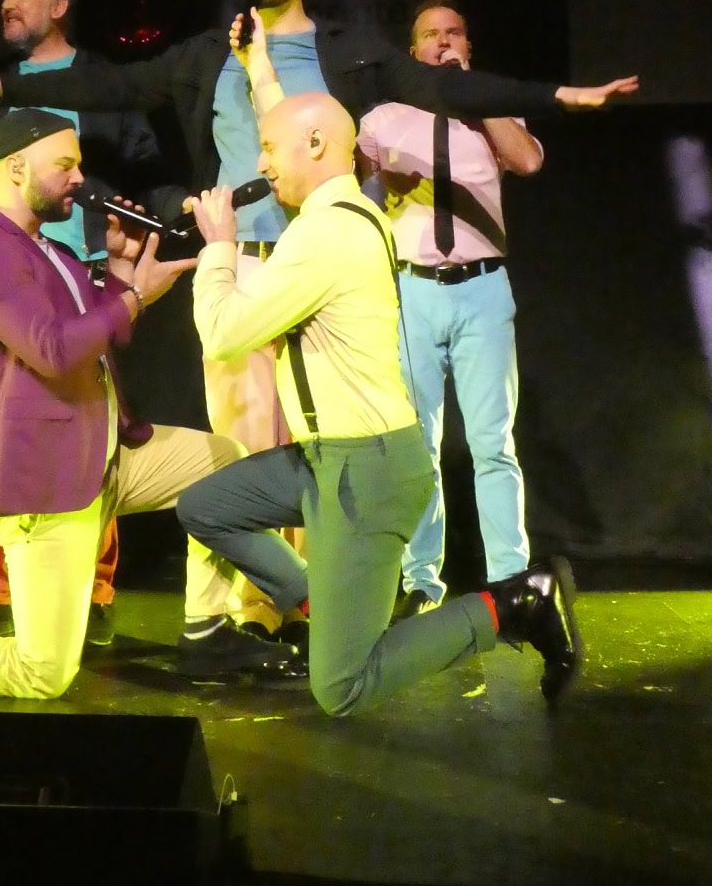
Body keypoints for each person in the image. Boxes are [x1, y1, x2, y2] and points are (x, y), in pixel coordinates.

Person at [0, 0, 637, 646]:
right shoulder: (211, 53)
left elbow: (440, 87)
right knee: (236, 446)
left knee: (313, 450)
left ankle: (301, 606)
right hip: (241, 261)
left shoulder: (347, 52)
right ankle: (225, 618)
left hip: (320, 266)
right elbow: (115, 85)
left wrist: (558, 96)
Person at [0, 110, 297, 697]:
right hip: (47, 478)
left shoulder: (47, 249)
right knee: (43, 674)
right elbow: (53, 350)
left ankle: (207, 631)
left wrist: (122, 272)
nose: (80, 178)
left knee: (225, 465)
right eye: (65, 165)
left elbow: (99, 336)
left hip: (105, 454)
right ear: (15, 168)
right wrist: (133, 298)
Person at [175, 92, 581, 716]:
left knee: (341, 687)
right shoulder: (347, 218)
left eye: (271, 147)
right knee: (206, 507)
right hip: (324, 458)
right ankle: (324, 602)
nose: (261, 162)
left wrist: (218, 248)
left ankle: (513, 606)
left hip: (363, 468)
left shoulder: (329, 233)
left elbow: (224, 333)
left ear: (315, 144)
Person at [0, 0, 182, 645]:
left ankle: (92, 592)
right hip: (9, 274)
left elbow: (142, 163)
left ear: (58, 6)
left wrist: (142, 224)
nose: (6, 4)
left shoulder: (100, 81)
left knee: (94, 430)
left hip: (85, 270)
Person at [357, 0, 543, 619]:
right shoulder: (385, 118)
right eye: (430, 35)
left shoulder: (491, 111)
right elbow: (355, 193)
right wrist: (380, 179)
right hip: (412, 290)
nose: (442, 42)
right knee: (419, 446)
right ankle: (421, 581)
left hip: (482, 289)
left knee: (493, 443)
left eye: (453, 33)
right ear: (412, 52)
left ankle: (510, 581)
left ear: (467, 45)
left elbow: (528, 160)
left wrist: (475, 95)